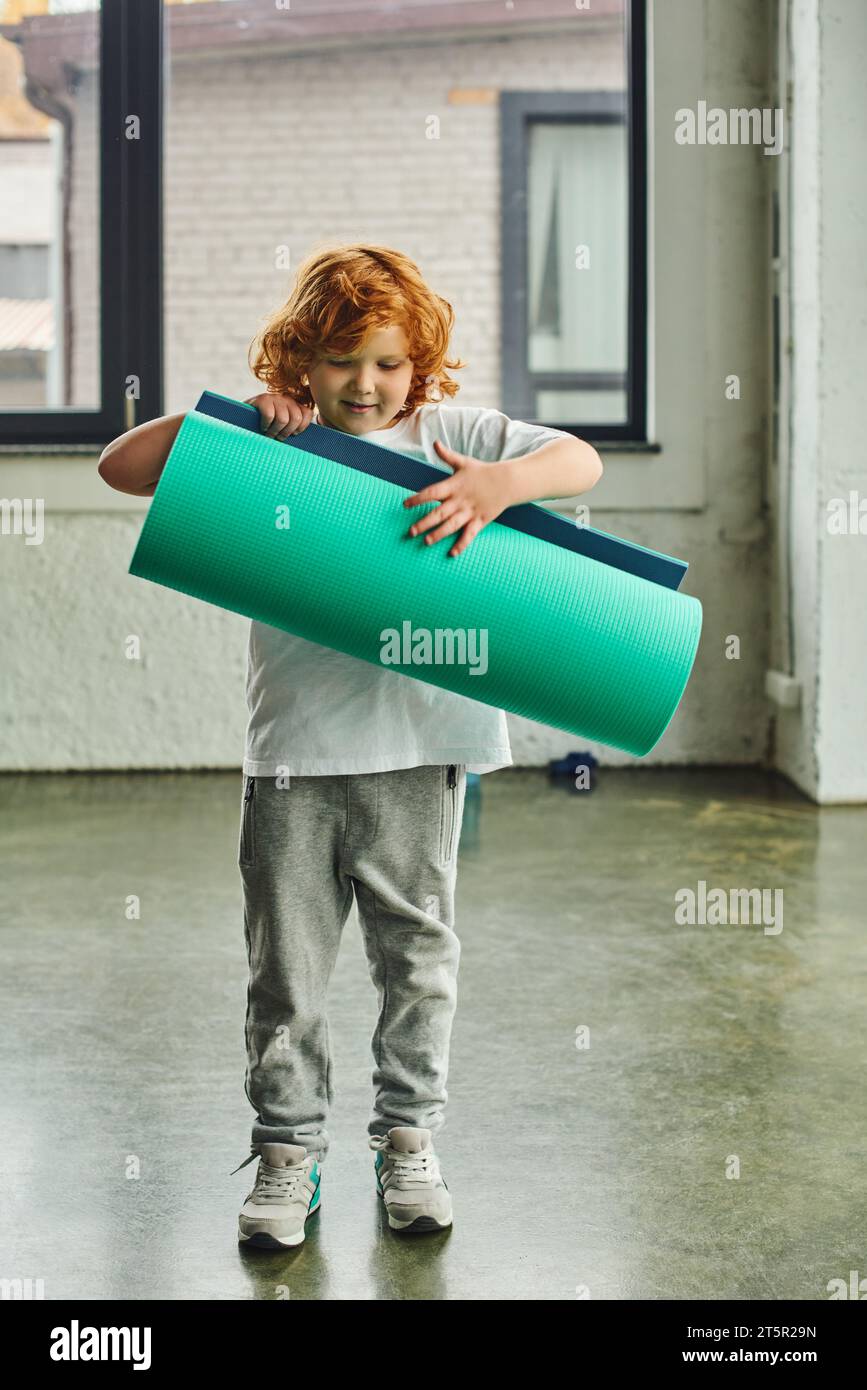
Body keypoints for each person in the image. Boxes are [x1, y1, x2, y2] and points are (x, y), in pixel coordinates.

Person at [98, 242, 603, 1248]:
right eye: (339, 361)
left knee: (417, 957)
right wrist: (240, 416)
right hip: (293, 756)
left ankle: (408, 1139)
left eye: (386, 362)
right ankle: (288, 1153)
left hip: (422, 752)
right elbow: (121, 467)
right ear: (303, 362)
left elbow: (579, 460)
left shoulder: (450, 437)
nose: (365, 384)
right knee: (286, 967)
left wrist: (500, 486)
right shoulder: (269, 441)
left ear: (418, 366)